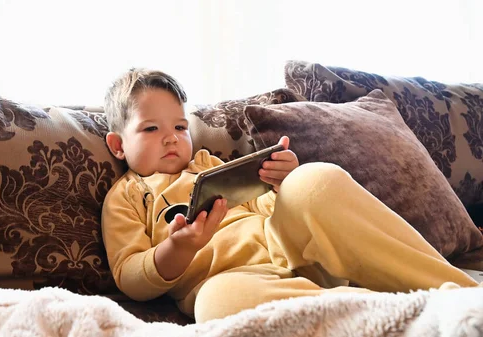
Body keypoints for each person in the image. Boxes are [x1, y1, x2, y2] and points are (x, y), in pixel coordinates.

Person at [101, 68, 478, 323]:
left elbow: (267, 208)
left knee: (314, 179)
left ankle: (461, 295)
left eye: (180, 126)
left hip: (290, 244)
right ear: (118, 145)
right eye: (151, 128)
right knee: (216, 304)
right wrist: (178, 249)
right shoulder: (126, 197)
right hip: (241, 279)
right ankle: (387, 315)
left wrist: (283, 182)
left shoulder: (206, 165)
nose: (170, 137)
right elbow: (130, 276)